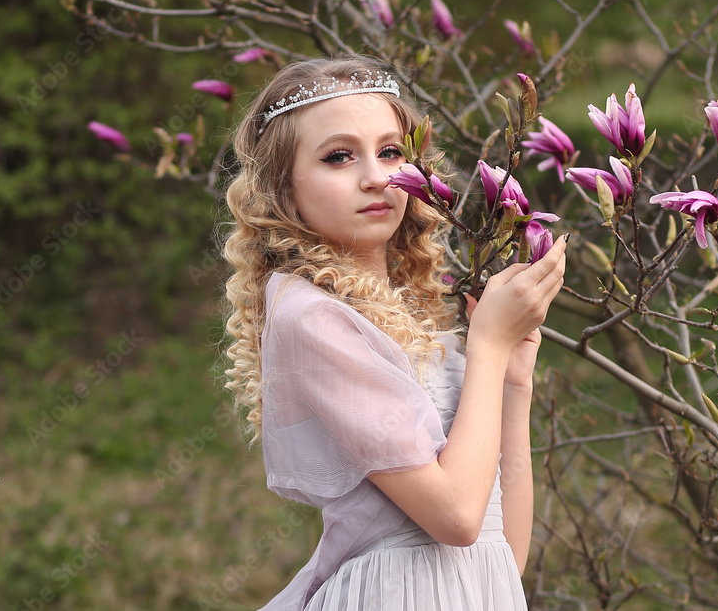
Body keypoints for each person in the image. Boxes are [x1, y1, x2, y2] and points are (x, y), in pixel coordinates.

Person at [221, 54, 567, 610]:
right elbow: (454, 516)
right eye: (338, 157)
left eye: (390, 151)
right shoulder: (309, 315)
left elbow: (500, 556)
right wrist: (488, 349)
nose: (377, 177)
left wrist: (511, 382)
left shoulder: (420, 325)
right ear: (282, 189)